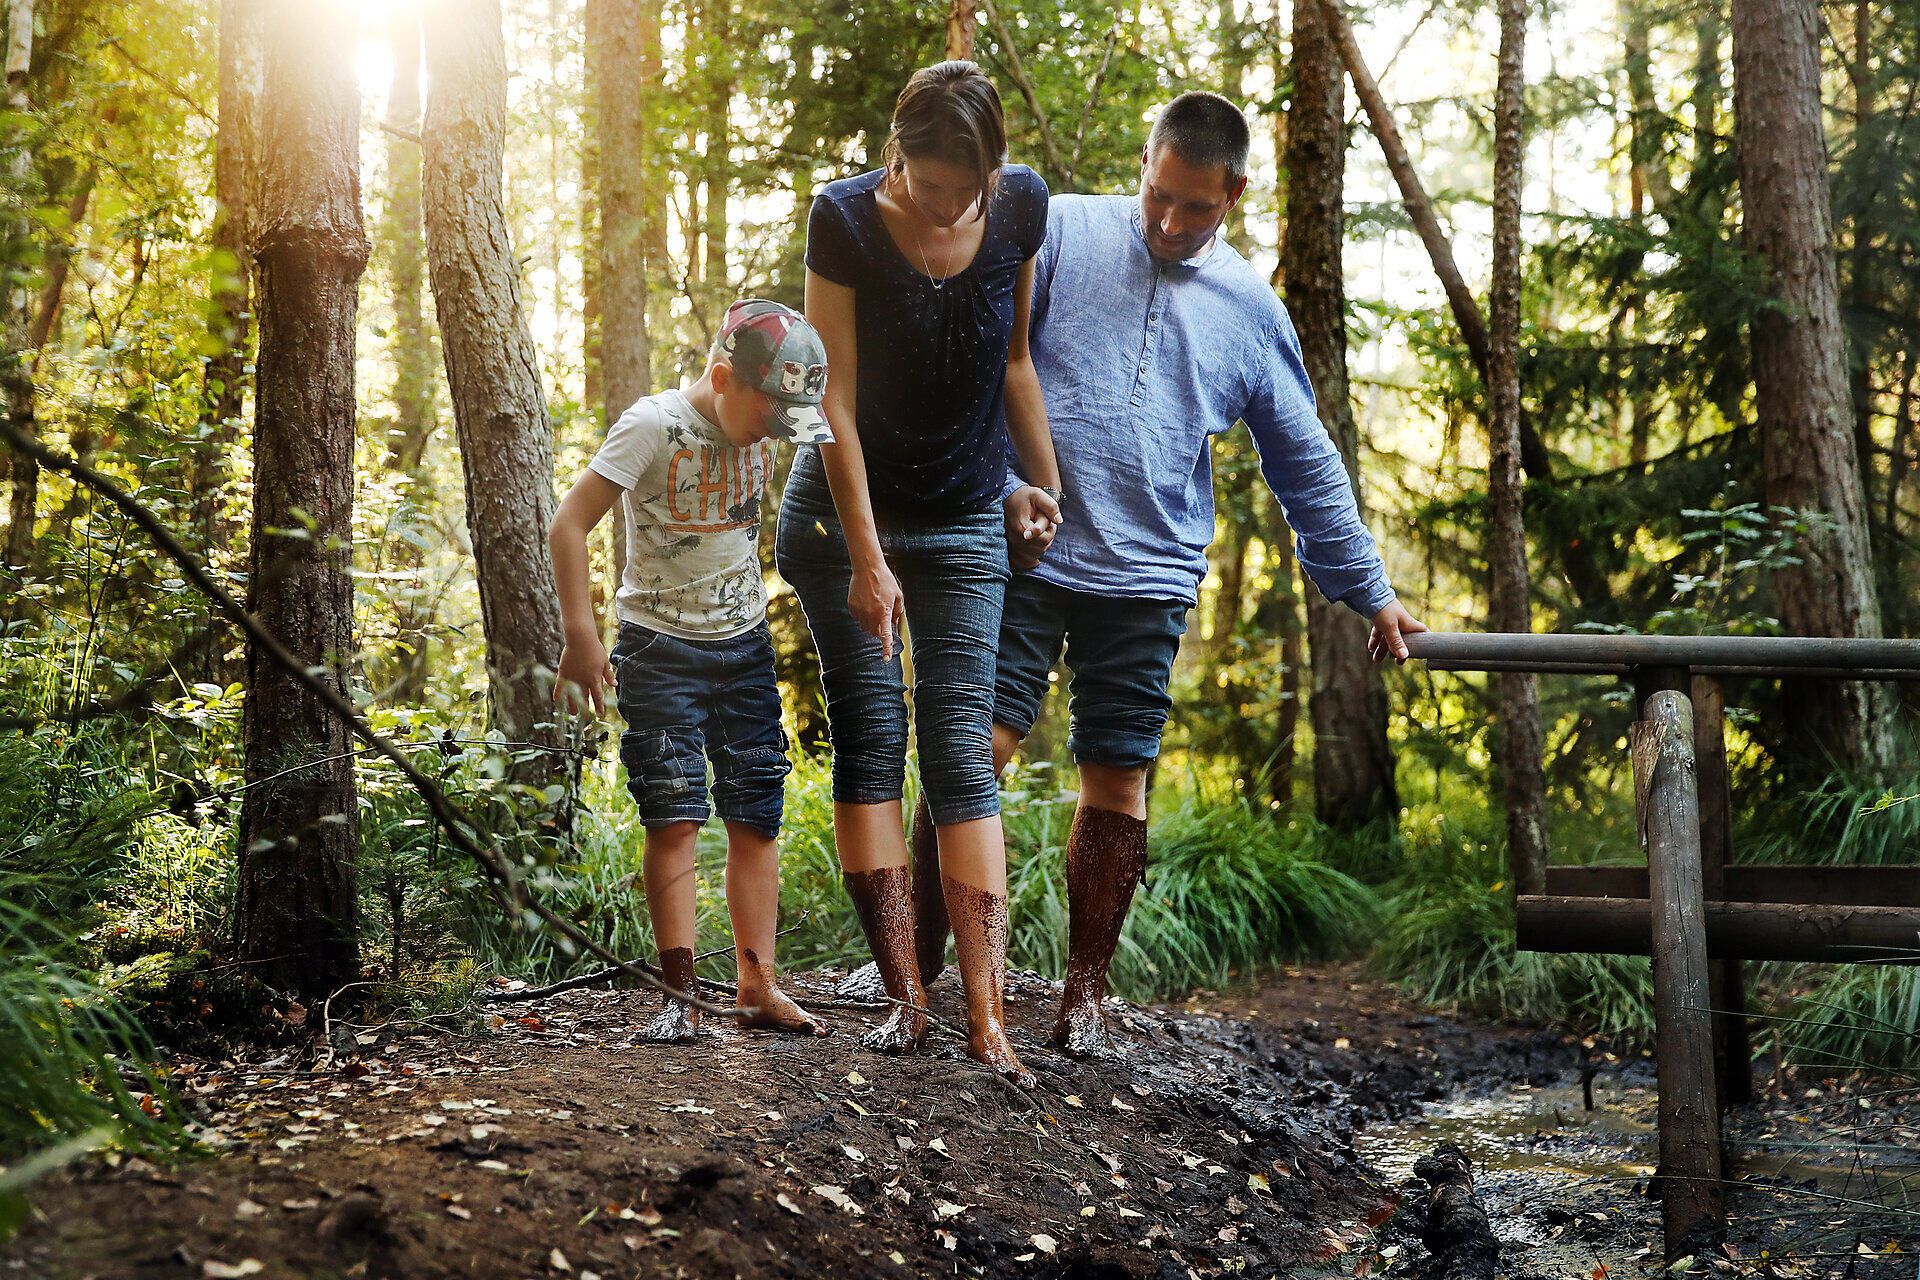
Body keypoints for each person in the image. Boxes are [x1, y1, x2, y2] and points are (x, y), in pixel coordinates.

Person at [849, 91, 1428, 1058]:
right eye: (1158, 195)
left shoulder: (1250, 311)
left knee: (1118, 777)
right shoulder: (1062, 230)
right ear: (1144, 164)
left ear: (1234, 195)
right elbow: (982, 358)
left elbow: (1305, 461)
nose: (1168, 221)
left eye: (1195, 207)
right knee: (972, 752)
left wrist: (1369, 590)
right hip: (1024, 548)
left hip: (1151, 573)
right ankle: (918, 970)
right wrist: (996, 486)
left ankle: (1083, 997)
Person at [775, 61, 1064, 1087]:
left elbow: (1016, 362)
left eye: (964, 188)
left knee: (960, 756)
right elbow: (830, 402)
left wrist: (1041, 484)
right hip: (841, 520)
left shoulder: (1020, 205)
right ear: (896, 154)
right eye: (928, 183)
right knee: (871, 739)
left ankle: (987, 1015)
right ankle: (907, 996)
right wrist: (867, 557)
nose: (946, 205)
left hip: (966, 516)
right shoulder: (844, 220)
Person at [549, 298, 835, 1043]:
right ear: (723, 378)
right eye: (768, 418)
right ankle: (678, 995)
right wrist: (581, 636)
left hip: (744, 647)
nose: (772, 435)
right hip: (659, 650)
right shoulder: (652, 425)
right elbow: (569, 523)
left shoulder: (764, 424)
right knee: (673, 816)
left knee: (756, 814)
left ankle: (757, 986)